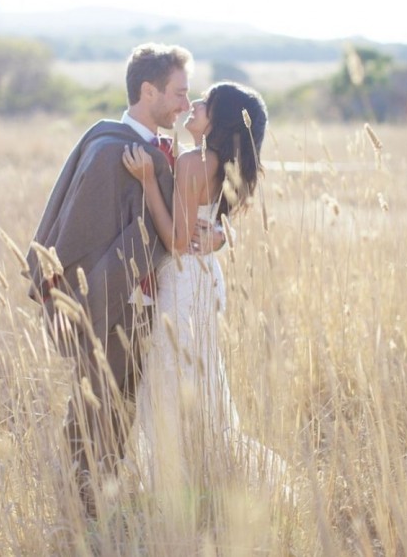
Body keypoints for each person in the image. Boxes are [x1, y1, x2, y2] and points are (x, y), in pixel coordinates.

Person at [25, 42, 223, 498]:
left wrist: (216, 235)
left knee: (125, 404)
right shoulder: (108, 146)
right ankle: (82, 503)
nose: (183, 103)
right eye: (177, 93)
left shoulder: (167, 150)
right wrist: (78, 291)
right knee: (96, 400)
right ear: (148, 91)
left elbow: (183, 221)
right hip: (110, 296)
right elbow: (75, 227)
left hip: (156, 302)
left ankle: (103, 497)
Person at [122, 82, 287, 494]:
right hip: (203, 277)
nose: (194, 104)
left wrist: (145, 181)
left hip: (183, 280)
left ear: (219, 121)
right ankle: (203, 480)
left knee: (170, 381)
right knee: (196, 379)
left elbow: (177, 240)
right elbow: (208, 224)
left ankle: (175, 486)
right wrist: (220, 233)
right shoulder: (218, 164)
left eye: (206, 104)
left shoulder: (196, 162)